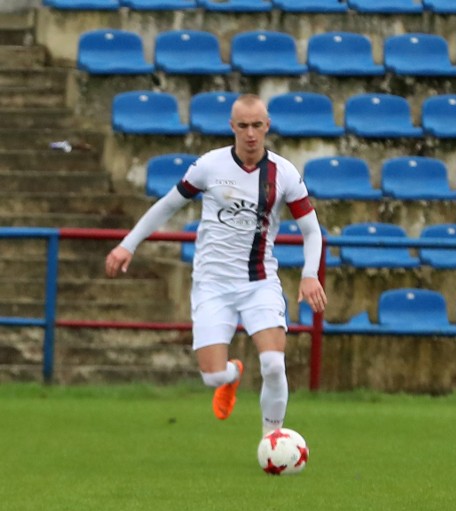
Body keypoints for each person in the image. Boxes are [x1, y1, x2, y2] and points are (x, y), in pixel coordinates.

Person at [105, 93, 326, 435]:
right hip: (212, 284)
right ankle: (232, 375)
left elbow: (311, 230)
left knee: (272, 363)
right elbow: (168, 205)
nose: (250, 134)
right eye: (243, 126)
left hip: (259, 281)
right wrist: (127, 244)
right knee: (211, 376)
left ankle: (273, 438)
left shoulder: (284, 173)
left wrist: (310, 275)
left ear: (267, 126)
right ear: (232, 127)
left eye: (257, 126)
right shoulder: (210, 165)